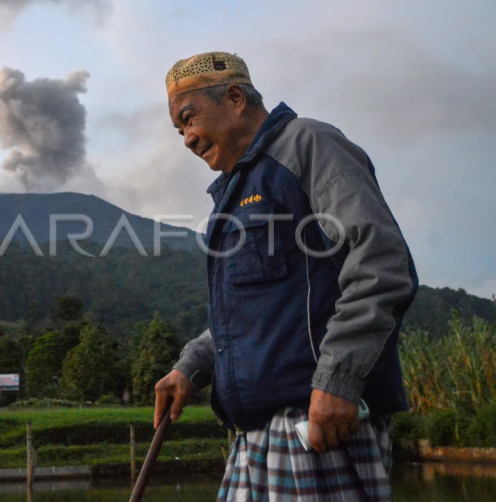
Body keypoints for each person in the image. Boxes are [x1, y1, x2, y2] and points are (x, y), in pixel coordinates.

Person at [154, 52, 418, 501]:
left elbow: (380, 261)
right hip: (254, 435)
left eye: (189, 118)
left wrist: (337, 381)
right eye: (179, 130)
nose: (187, 139)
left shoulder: (308, 146)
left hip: (316, 426)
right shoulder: (235, 190)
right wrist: (190, 365)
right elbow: (252, 314)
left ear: (235, 97)